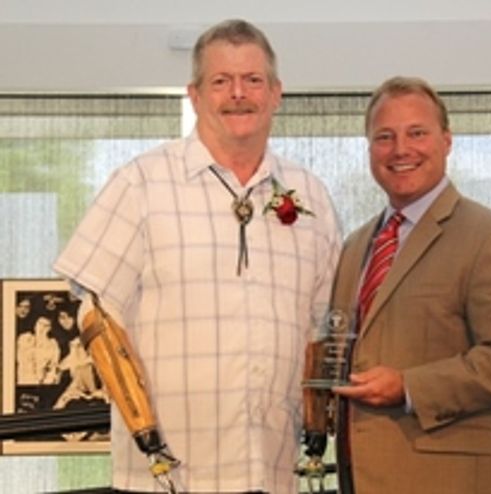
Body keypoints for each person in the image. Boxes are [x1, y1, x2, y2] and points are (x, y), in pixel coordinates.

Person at [53, 19, 341, 494]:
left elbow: (324, 325)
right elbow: (98, 317)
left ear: (276, 93)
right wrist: (147, 436)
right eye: (221, 81)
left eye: (253, 80)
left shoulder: (309, 194)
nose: (238, 94)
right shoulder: (139, 183)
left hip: (274, 471)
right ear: (195, 94)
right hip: (167, 477)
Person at [330, 76, 491, 494]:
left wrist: (410, 387)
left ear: (446, 141)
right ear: (369, 149)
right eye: (384, 137)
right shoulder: (355, 245)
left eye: (417, 133)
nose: (400, 150)